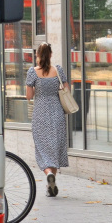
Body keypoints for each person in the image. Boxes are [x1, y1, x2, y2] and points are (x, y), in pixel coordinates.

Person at [26, 42, 69, 197]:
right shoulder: (58, 70)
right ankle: (52, 178)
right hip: (56, 113)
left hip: (40, 114)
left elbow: (29, 96)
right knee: (55, 148)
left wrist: (38, 88)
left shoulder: (32, 72)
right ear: (50, 54)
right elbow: (66, 90)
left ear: (37, 55)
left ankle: (47, 173)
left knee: (42, 149)